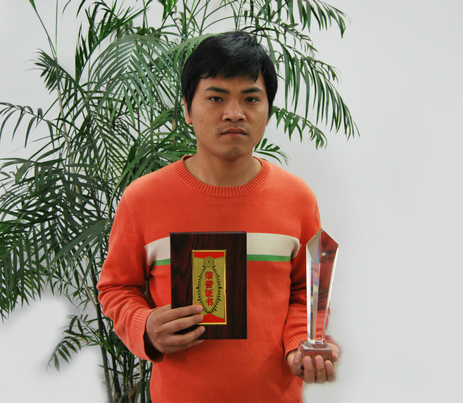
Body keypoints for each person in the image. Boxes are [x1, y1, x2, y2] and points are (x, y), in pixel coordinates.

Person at [97, 31, 340, 402]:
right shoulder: (142, 199)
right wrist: (144, 326)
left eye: (251, 98)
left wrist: (300, 344)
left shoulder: (297, 198)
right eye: (216, 97)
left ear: (268, 111)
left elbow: (307, 290)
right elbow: (117, 288)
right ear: (187, 109)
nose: (234, 113)